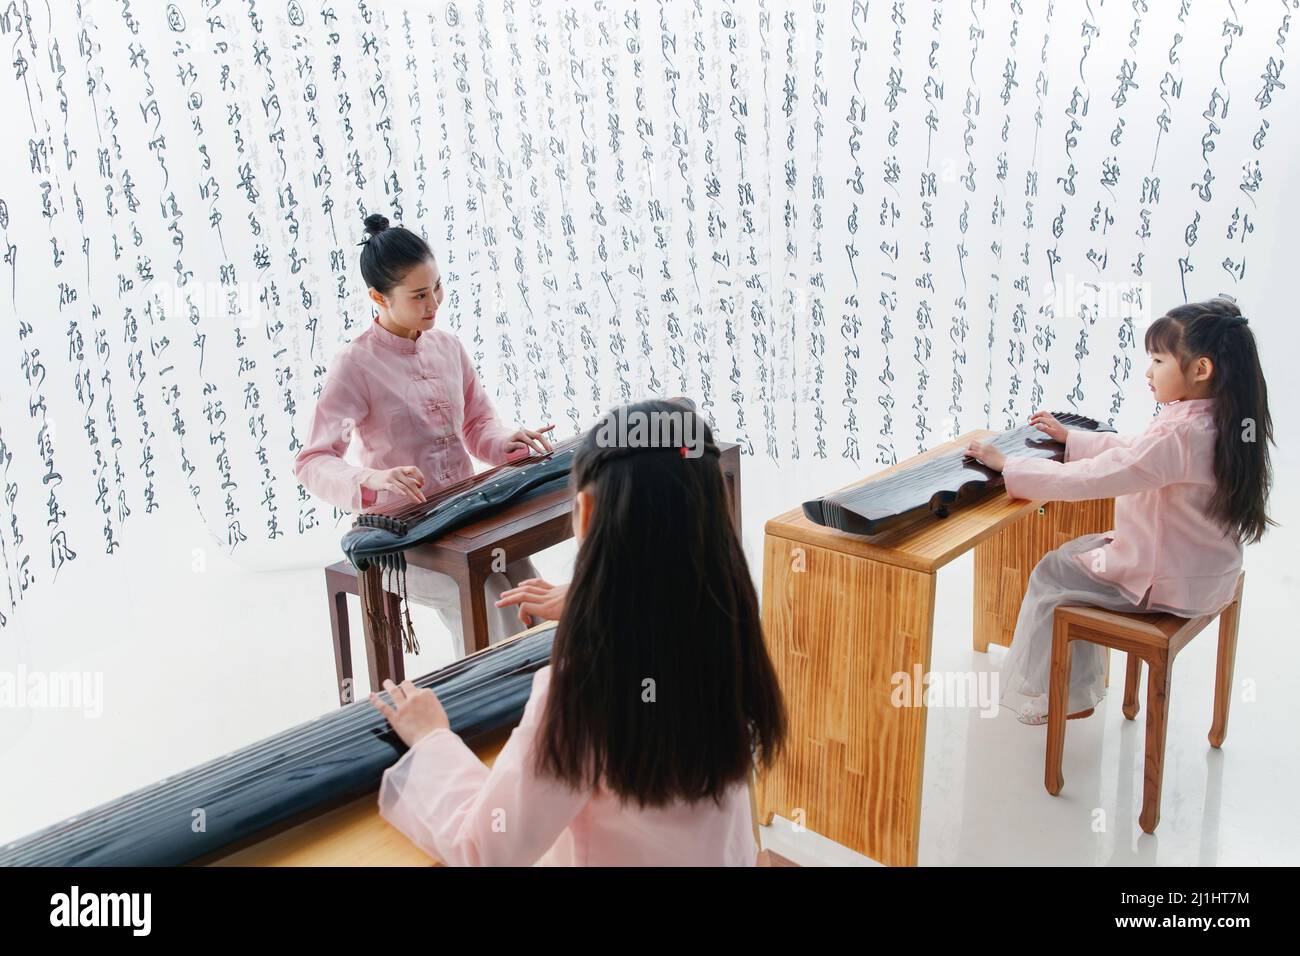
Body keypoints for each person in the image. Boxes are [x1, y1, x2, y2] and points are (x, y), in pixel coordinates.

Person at [369, 399, 787, 864]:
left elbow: (484, 850)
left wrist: (432, 741)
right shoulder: (730, 636)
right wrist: (597, 603)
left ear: (584, 513)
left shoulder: (583, 691)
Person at [965, 297, 1273, 724]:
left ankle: (1060, 696)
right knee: (1081, 557)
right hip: (1208, 570)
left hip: (1168, 582)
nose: (1148, 373)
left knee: (1053, 573)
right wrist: (1072, 439)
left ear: (1200, 370)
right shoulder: (1220, 417)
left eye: (1159, 360)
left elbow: (1100, 476)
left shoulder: (1182, 431)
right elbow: (1136, 454)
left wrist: (1011, 466)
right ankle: (1077, 690)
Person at [295, 212, 555, 650]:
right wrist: (371, 479)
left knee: (531, 593)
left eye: (437, 286)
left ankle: (547, 710)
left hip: (466, 517)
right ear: (378, 297)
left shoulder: (448, 347)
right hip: (403, 537)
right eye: (418, 295)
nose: (434, 304)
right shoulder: (357, 366)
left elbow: (477, 425)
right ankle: (484, 715)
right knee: (492, 600)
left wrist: (505, 442)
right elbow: (313, 461)